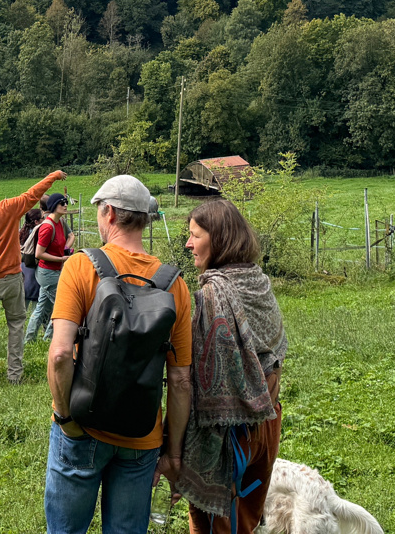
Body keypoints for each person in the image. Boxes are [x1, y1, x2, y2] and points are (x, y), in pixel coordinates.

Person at [44, 175, 193, 534]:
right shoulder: (175, 285)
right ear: (144, 220)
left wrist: (66, 418)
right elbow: (180, 379)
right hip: (142, 436)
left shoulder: (81, 266)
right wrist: (172, 453)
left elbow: (61, 353)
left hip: (82, 424)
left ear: (108, 213)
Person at [177, 198, 287, 534]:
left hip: (229, 433)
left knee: (214, 525)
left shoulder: (213, 295)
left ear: (219, 239)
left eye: (195, 235)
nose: (188, 243)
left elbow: (199, 375)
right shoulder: (258, 281)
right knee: (246, 522)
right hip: (267, 424)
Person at [0, 169, 66, 387]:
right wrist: (53, 176)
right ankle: (14, 375)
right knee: (16, 325)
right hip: (11, 277)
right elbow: (32, 194)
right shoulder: (6, 208)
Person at [24, 193, 73, 344]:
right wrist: (61, 259)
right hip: (47, 272)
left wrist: (63, 252)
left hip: (54, 270)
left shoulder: (59, 222)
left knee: (40, 307)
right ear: (53, 207)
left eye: (66, 202)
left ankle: (29, 340)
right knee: (62, 304)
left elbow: (68, 238)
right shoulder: (48, 226)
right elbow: (39, 253)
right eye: (61, 203)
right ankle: (49, 338)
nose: (65, 205)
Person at [19, 208, 43, 313]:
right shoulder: (38, 233)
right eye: (43, 218)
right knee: (37, 307)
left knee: (22, 307)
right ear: (36, 222)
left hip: (23, 270)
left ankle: (20, 327)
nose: (45, 219)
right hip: (34, 270)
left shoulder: (22, 232)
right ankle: (34, 327)